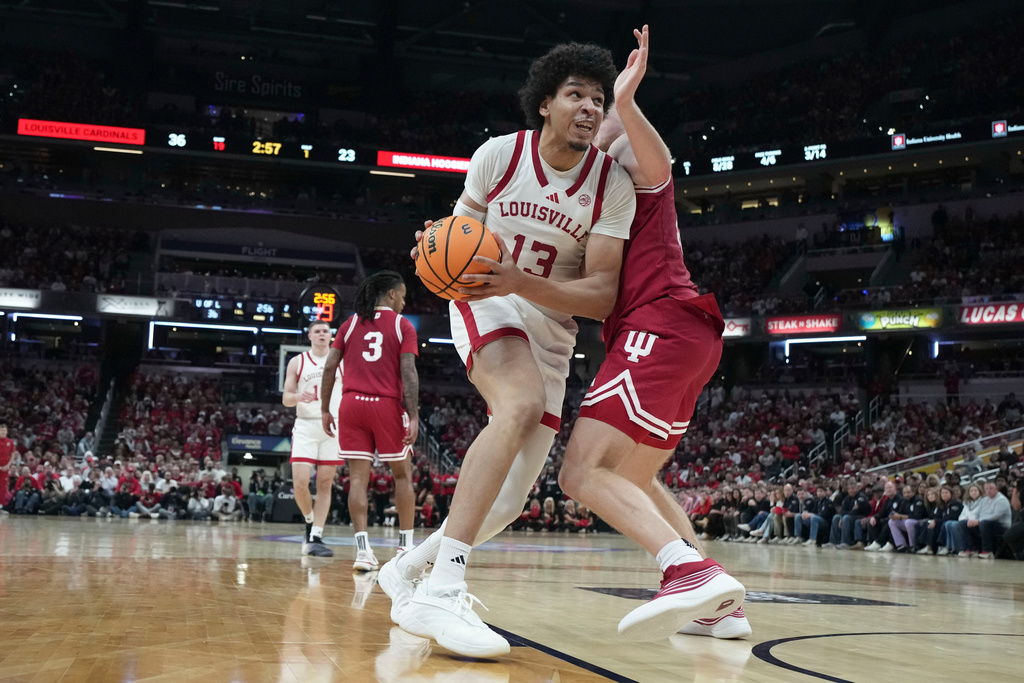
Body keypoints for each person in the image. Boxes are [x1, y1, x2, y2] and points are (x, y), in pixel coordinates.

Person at [380, 36, 636, 657]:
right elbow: (459, 236)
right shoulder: (498, 156)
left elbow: (601, 294)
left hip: (552, 327)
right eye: (575, 94)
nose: (588, 107)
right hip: (484, 299)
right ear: (544, 103)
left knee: (515, 496)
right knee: (517, 404)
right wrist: (436, 246)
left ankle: (410, 568)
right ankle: (443, 590)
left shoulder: (611, 185)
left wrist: (524, 281)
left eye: (599, 100)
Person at [320, 271, 419, 572]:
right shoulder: (403, 326)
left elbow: (329, 367)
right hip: (385, 405)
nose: (404, 301)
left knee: (357, 480)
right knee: (402, 476)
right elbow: (408, 372)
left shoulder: (349, 325)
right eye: (402, 296)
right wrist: (413, 414)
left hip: (351, 405)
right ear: (391, 294)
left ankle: (363, 552)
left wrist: (326, 408)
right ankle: (405, 548)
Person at [282, 320, 343, 557]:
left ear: (331, 336)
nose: (321, 334)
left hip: (333, 426)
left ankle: (316, 535)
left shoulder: (341, 361)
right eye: (316, 331)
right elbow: (286, 399)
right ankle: (309, 520)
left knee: (325, 483)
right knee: (300, 484)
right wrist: (298, 396)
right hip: (306, 425)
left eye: (325, 331)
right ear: (309, 336)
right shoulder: (298, 361)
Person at [0, 424, 14, 512]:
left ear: (7, 431)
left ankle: (1, 505)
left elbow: (12, 454)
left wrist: (8, 465)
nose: (3, 432)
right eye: (1, 430)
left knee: (3, 486)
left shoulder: (10, 442)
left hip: (5, 468)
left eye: (4, 430)